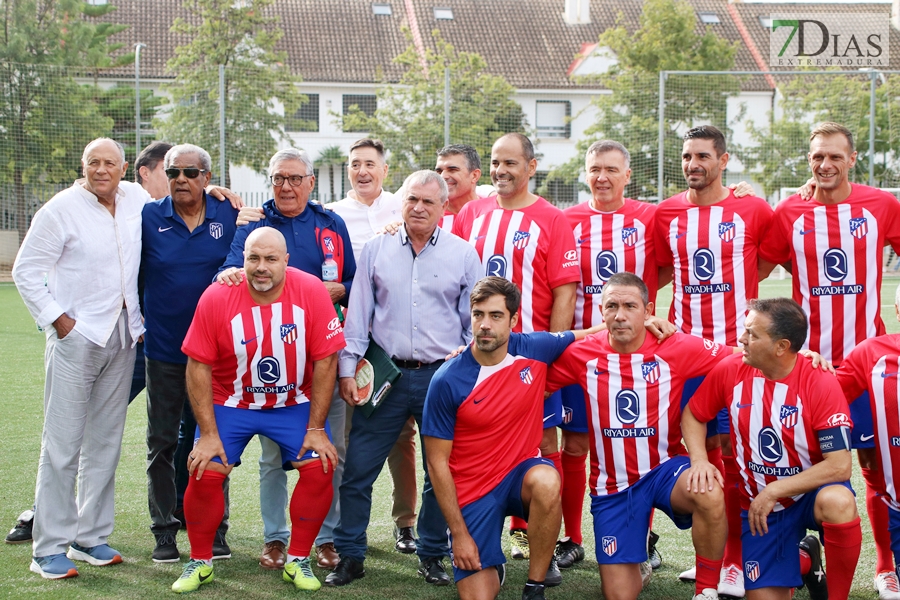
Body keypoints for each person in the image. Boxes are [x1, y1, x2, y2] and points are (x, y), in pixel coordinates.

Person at [760, 121, 900, 599]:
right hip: (808, 368)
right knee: (797, 460)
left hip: (867, 368)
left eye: (835, 156)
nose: (825, 164)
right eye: (818, 156)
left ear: (853, 158)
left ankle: (885, 567)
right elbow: (752, 265)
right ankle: (800, 550)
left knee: (874, 467)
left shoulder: (883, 205)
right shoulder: (790, 211)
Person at [327, 170, 482, 587]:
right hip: (386, 376)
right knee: (359, 468)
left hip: (441, 379)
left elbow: (475, 323)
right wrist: (348, 369)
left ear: (443, 209)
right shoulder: (376, 249)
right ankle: (351, 555)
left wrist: (466, 372)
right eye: (412, 199)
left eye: (428, 202)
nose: (418, 208)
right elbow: (358, 314)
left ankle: (432, 553)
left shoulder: (464, 254)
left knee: (439, 474)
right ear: (401, 202)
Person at [171, 227, 343, 593]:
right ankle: (200, 561)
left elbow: (327, 361)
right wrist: (210, 434)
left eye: (270, 259)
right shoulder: (218, 295)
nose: (261, 267)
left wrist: (315, 428)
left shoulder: (311, 290)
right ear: (243, 259)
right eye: (253, 259)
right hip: (231, 402)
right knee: (203, 468)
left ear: (286, 261)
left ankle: (297, 559)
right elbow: (197, 365)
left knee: (320, 465)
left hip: (292, 402)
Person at [545, 272, 730, 600]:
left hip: (664, 471)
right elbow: (529, 376)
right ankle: (638, 561)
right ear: (601, 312)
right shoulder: (581, 355)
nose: (619, 315)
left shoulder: (676, 346)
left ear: (648, 311)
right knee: (618, 594)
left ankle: (707, 590)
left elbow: (740, 356)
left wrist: (806, 361)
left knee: (710, 490)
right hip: (612, 487)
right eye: (611, 306)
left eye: (630, 306)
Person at [13, 138, 146, 579]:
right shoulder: (59, 209)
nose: (102, 170)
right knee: (62, 444)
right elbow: (25, 271)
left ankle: (90, 536)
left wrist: (221, 193)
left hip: (125, 335)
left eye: (110, 163)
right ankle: (47, 547)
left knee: (105, 443)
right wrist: (59, 321)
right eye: (94, 162)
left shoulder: (136, 200)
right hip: (77, 337)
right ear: (83, 165)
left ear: (124, 168)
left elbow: (176, 205)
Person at [217, 147, 355, 571]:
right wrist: (230, 274)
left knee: (330, 450)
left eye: (295, 178)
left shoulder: (331, 224)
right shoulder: (255, 224)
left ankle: (326, 537)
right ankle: (276, 538)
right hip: (270, 362)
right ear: (270, 182)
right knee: (273, 456)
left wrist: (338, 290)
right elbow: (228, 273)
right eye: (279, 178)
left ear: (311, 182)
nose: (287, 186)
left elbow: (352, 279)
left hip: (322, 358)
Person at [654, 125, 776, 596]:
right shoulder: (665, 212)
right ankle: (696, 551)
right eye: (686, 157)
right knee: (681, 451)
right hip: (682, 355)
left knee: (733, 455)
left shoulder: (752, 207)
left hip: (735, 355)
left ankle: (733, 560)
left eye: (702, 156)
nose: (692, 165)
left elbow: (765, 260)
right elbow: (660, 269)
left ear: (723, 161)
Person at [452, 133, 580, 565]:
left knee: (542, 443)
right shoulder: (472, 212)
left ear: (531, 166)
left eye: (510, 163)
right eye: (494, 163)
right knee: (475, 439)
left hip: (526, 355)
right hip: (479, 354)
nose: (501, 171)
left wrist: (548, 359)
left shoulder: (551, 218)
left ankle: (532, 534)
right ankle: (476, 527)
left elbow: (565, 293)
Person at [683, 297, 861, 600]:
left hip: (808, 495)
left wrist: (775, 489)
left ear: (781, 346)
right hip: (761, 509)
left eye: (752, 334)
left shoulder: (819, 381)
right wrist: (699, 459)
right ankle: (806, 561)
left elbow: (839, 465)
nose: (742, 339)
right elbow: (694, 415)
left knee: (839, 501)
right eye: (745, 330)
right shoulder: (731, 369)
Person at [424, 276, 586, 600]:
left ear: (513, 319)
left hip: (518, 475)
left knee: (548, 481)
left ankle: (535, 586)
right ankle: (491, 563)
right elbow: (436, 463)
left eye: (496, 316)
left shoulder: (533, 348)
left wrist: (645, 324)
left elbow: (587, 336)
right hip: (473, 491)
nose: (485, 325)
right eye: (478, 314)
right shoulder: (447, 380)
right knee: (477, 596)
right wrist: (459, 534)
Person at [556, 140, 667, 570]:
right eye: (594, 169)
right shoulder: (567, 220)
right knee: (577, 443)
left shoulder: (650, 216)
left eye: (610, 170)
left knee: (638, 442)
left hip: (636, 354)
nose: (601, 177)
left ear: (627, 175)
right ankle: (571, 536)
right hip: (584, 352)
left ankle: (643, 537)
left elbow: (668, 263)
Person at [141, 143, 239, 563]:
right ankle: (165, 530)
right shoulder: (145, 216)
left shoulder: (229, 214)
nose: (181, 179)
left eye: (191, 173)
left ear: (207, 178)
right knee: (161, 443)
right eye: (174, 172)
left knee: (211, 441)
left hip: (215, 356)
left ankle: (214, 529)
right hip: (163, 351)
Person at [326, 138, 419, 561]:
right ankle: (343, 527)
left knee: (403, 439)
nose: (362, 171)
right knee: (345, 436)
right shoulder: (331, 213)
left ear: (385, 170)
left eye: (370, 164)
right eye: (355, 164)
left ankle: (406, 523)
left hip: (394, 342)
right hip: (349, 337)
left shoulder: (404, 207)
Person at [836, 284, 900, 600]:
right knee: (876, 468)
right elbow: (830, 393)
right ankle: (886, 568)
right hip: (847, 364)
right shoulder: (873, 353)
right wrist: (808, 368)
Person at [434, 144, 483, 231]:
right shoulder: (429, 219)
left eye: (452, 170)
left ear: (474, 176)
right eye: (439, 171)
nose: (443, 176)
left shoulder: (492, 213)